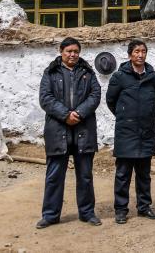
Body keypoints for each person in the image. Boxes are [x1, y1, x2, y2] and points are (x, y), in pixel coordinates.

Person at [37, 37, 102, 228]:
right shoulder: (51, 72)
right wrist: (65, 115)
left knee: (85, 176)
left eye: (76, 51)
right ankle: (50, 215)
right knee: (54, 176)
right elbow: (45, 98)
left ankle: (87, 213)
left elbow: (95, 95)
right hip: (58, 130)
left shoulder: (88, 72)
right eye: (69, 51)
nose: (73, 55)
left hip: (84, 130)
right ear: (61, 51)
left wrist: (79, 113)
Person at [106, 39, 155, 224]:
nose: (140, 55)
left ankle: (144, 207)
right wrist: (125, 116)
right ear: (130, 54)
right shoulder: (119, 76)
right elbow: (111, 101)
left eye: (143, 51)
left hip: (146, 131)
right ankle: (121, 209)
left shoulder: (153, 76)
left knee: (144, 173)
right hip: (126, 132)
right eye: (137, 51)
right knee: (123, 173)